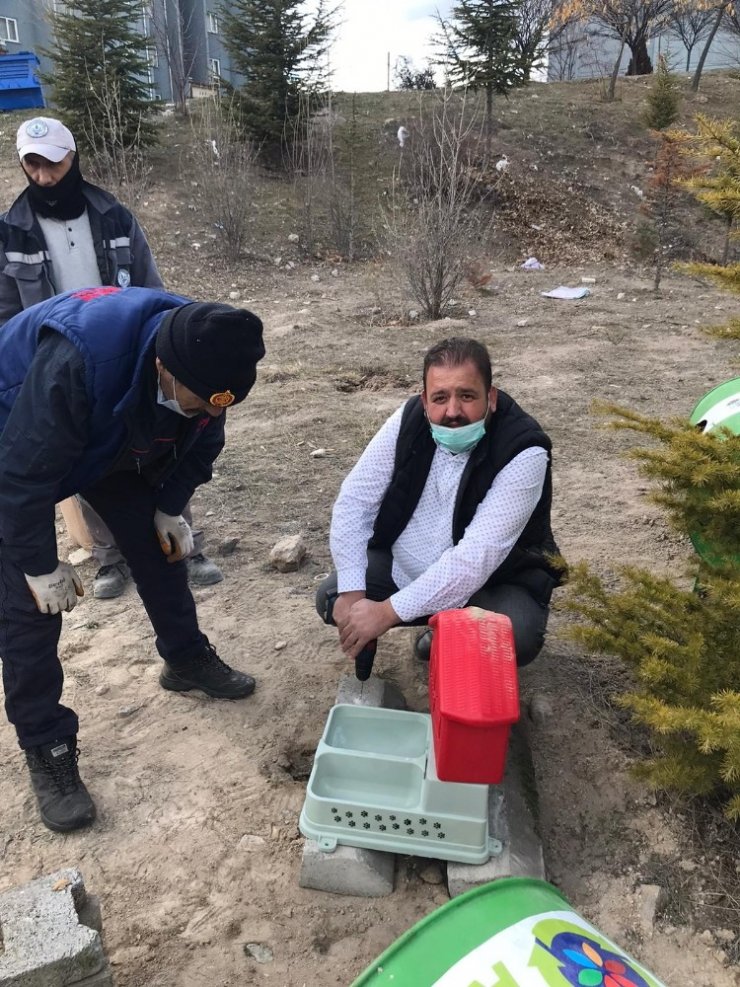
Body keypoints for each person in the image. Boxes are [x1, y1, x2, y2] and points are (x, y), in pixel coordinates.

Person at [0, 285, 265, 833]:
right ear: (165, 367)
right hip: (14, 440)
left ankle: (185, 659)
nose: (200, 411)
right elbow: (22, 475)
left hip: (108, 432)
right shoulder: (78, 361)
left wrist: (169, 507)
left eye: (214, 403)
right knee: (30, 606)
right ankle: (47, 747)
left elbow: (204, 440)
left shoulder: (209, 351)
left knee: (158, 548)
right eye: (193, 399)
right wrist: (39, 564)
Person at [0, 115, 223, 598]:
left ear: (72, 158)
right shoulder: (10, 234)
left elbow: (151, 285)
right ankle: (108, 558)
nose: (44, 176)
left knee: (166, 439)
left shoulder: (113, 216)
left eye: (53, 164)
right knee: (86, 456)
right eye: (32, 165)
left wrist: (168, 346)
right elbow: (6, 313)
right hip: (59, 365)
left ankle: (186, 541)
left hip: (131, 350)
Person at [317, 337, 564, 668]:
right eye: (440, 397)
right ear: (424, 400)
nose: (452, 412)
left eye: (466, 395)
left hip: (493, 581)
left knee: (511, 635)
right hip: (407, 565)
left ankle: (444, 636)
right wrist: (354, 598)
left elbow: (475, 560)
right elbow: (354, 501)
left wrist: (383, 613)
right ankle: (441, 626)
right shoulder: (409, 420)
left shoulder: (524, 451)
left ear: (490, 398)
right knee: (334, 595)